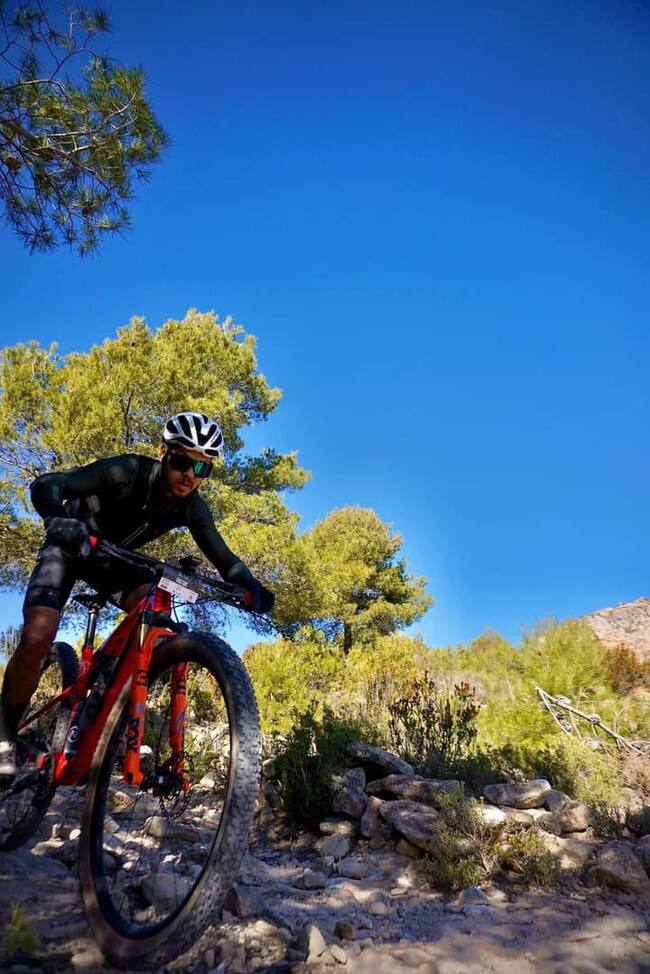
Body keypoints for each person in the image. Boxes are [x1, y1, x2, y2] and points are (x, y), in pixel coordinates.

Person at [0, 411, 274, 783]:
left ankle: (109, 703)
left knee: (155, 612)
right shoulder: (127, 472)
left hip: (112, 560)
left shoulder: (192, 507)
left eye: (202, 468)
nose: (190, 475)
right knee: (38, 635)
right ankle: (4, 734)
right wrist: (55, 517)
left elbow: (225, 559)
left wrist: (251, 585)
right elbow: (49, 484)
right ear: (163, 453)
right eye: (182, 462)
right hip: (69, 545)